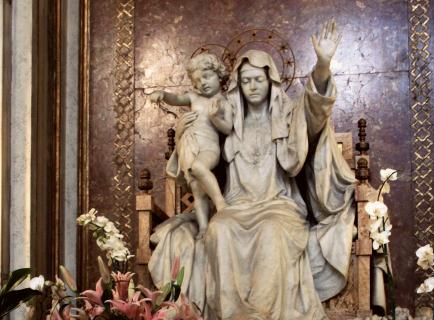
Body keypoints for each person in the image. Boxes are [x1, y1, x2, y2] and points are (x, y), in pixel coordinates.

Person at [149, 19, 356, 319]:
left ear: (271, 80)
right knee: (219, 230)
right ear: (237, 84)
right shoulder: (226, 117)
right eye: (246, 80)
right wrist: (185, 128)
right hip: (236, 206)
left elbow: (315, 108)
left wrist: (323, 65)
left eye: (258, 79)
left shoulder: (287, 116)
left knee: (271, 233)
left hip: (278, 207)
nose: (252, 86)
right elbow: (193, 148)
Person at [150, 53, 233, 239]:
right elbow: (176, 99)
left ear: (219, 76)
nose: (202, 83)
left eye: (207, 76)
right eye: (197, 80)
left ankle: (220, 204)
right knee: (197, 190)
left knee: (199, 167)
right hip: (189, 146)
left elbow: (228, 129)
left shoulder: (224, 102)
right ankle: (203, 227)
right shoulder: (194, 97)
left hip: (209, 147)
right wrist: (163, 94)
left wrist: (215, 118)